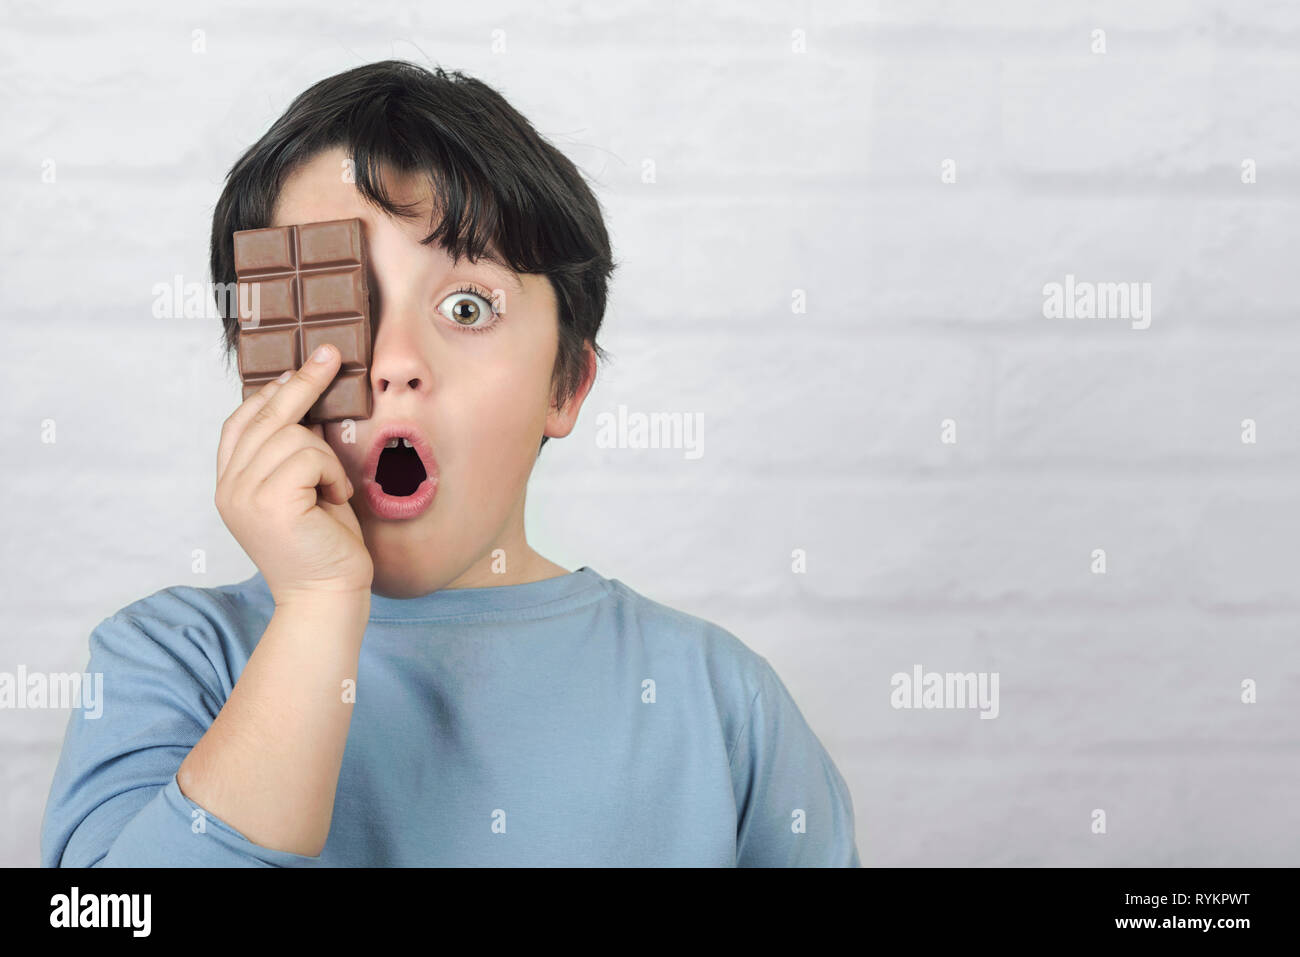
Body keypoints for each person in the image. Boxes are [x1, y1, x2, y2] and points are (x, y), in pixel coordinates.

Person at [41, 60, 859, 867]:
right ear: (258, 370)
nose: (396, 360)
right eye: (339, 304)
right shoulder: (169, 660)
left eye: (468, 306)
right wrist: (319, 605)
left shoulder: (720, 701)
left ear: (564, 385)